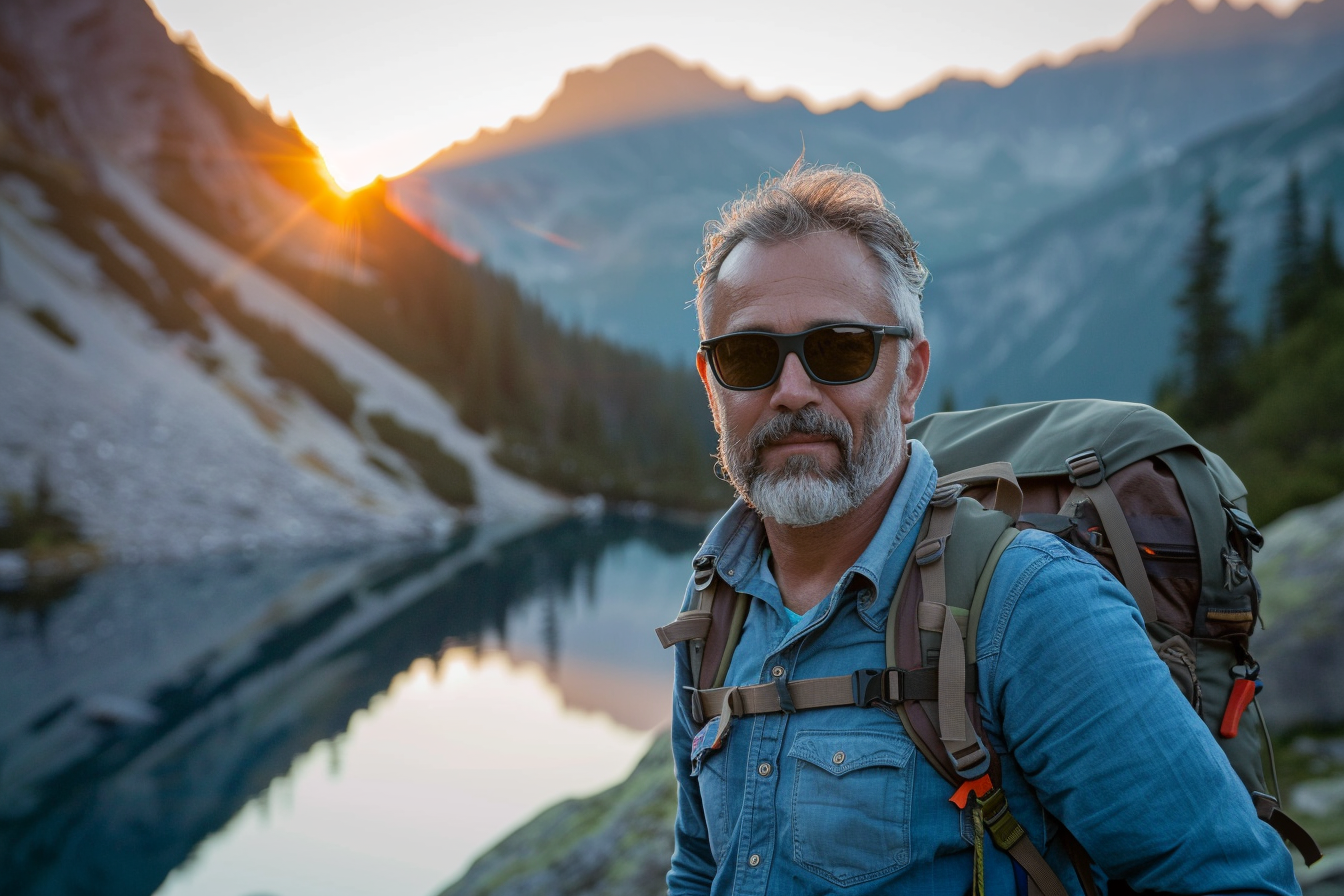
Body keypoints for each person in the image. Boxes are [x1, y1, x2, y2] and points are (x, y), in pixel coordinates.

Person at [666, 162, 1300, 895]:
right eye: (747, 356)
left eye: (840, 349)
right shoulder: (716, 602)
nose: (792, 392)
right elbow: (699, 865)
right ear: (713, 385)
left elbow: (1232, 882)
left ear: (908, 377)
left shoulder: (1030, 604)